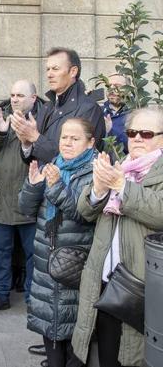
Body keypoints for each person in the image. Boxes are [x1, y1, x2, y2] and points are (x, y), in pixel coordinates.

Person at [72, 106, 163, 367]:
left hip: (141, 286)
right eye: (132, 132)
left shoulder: (128, 175)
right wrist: (98, 190)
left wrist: (122, 187)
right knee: (107, 354)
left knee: (135, 354)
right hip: (105, 281)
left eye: (146, 133)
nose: (136, 138)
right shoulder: (122, 165)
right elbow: (85, 211)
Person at [18, 118, 97, 367]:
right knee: (50, 324)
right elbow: (25, 208)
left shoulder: (95, 171)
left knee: (73, 325)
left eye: (75, 139)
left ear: (90, 142)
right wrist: (33, 185)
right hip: (45, 258)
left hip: (74, 262)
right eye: (64, 138)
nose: (68, 143)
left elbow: (84, 213)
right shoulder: (54, 164)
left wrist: (55, 187)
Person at [0, 80, 43, 314]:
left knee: (34, 254)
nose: (14, 99)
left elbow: (47, 153)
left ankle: (33, 298)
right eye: (12, 94)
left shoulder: (43, 118)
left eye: (20, 95)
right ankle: (0, 295)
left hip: (29, 199)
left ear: (33, 99)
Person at [12, 47, 105, 165]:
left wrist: (35, 137)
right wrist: (26, 143)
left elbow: (81, 159)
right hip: (42, 182)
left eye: (55, 69)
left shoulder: (89, 109)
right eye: (48, 69)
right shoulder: (46, 107)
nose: (49, 74)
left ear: (73, 71)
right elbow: (33, 160)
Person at [102, 74, 129, 154]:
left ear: (128, 89)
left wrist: (110, 131)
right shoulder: (97, 111)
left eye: (117, 86)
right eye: (109, 86)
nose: (112, 89)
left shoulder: (135, 113)